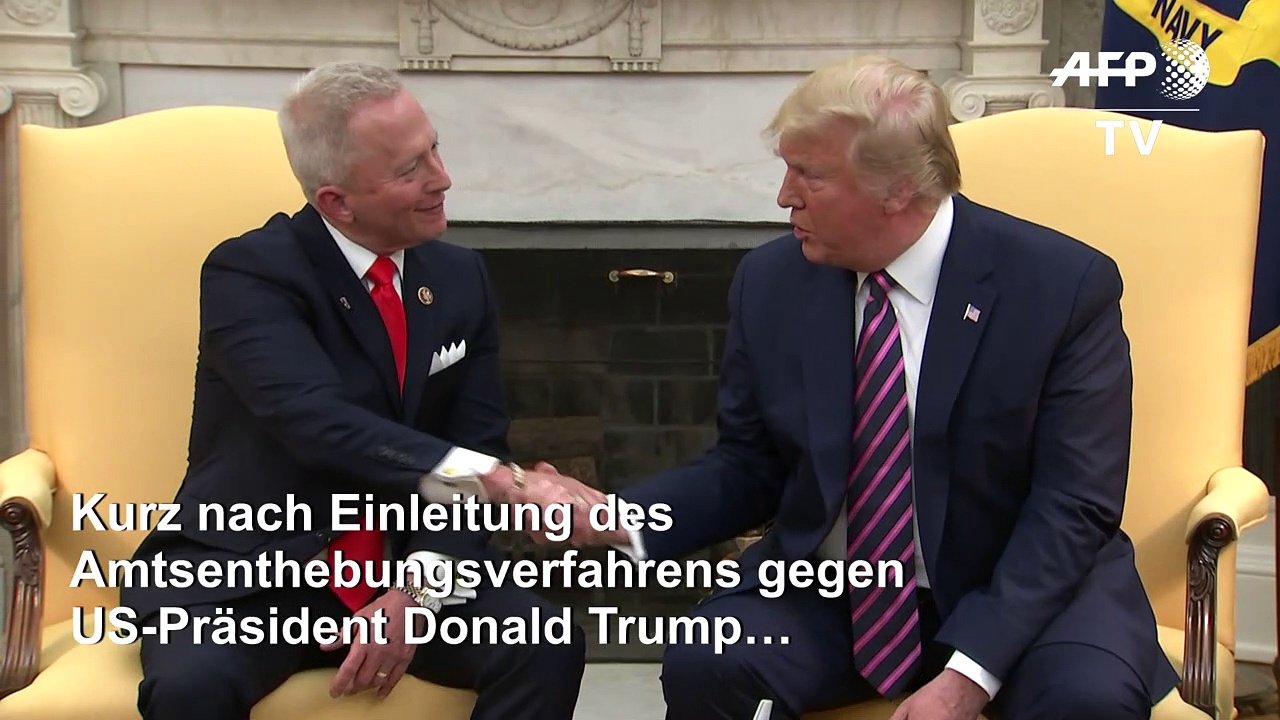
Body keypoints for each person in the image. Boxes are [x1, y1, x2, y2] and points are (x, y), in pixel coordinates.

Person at [568, 54, 1181, 720]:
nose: (784, 196)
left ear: (897, 189)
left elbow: (1072, 505)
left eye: (810, 174)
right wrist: (619, 519)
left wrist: (968, 675)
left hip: (1023, 593)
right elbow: (749, 466)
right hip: (839, 595)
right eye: (786, 168)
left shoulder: (1061, 287)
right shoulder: (772, 283)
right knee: (706, 657)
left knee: (1086, 700)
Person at [122, 61, 602, 720]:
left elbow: (477, 439)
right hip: (254, 574)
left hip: (408, 557)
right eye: (409, 169)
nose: (442, 178)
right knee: (190, 687)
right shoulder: (250, 273)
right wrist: (499, 480)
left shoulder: (460, 277)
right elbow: (316, 421)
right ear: (337, 202)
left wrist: (418, 593)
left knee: (544, 641)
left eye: (434, 148)